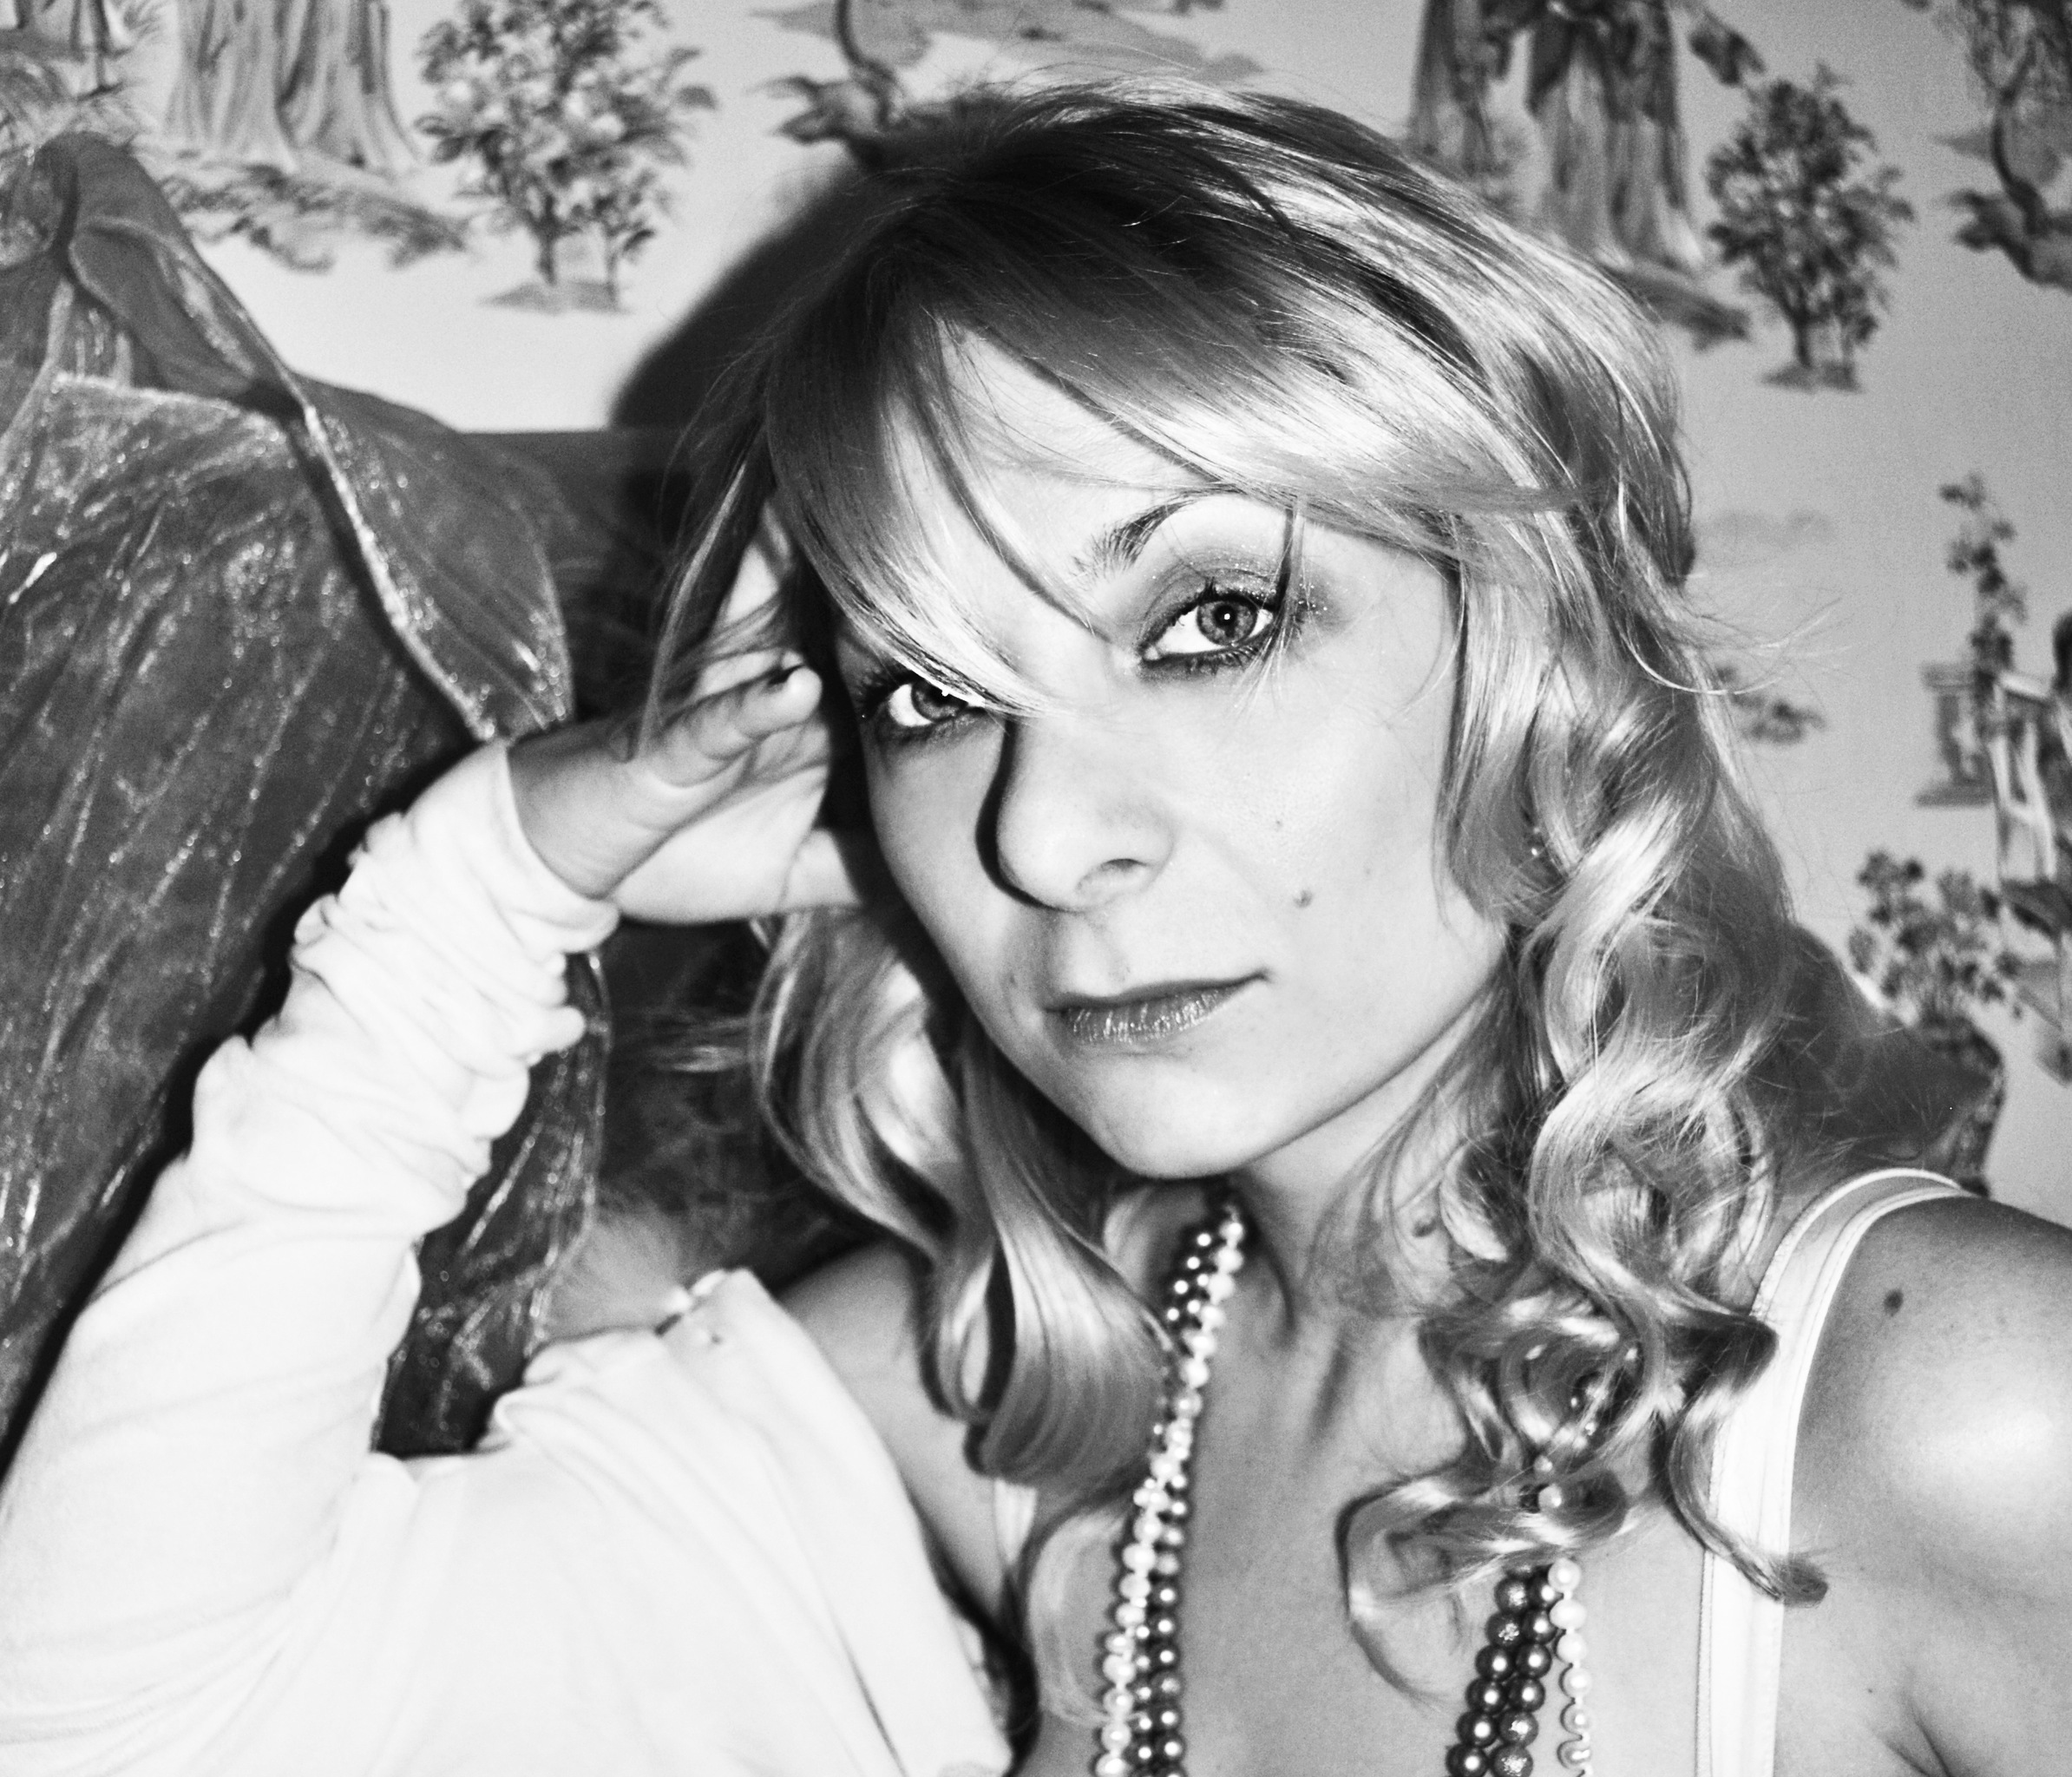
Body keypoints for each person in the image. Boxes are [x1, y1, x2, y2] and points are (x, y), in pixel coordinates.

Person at [3, 81, 2070, 1777]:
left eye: (1215, 617)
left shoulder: (1960, 1419)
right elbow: (112, 1717)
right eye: (929, 692)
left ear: (1537, 648)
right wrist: (488, 879)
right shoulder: (1029, 1397)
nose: (1047, 829)